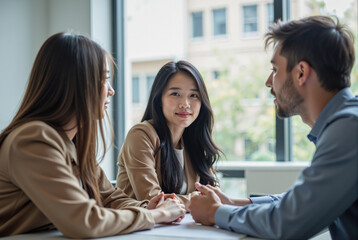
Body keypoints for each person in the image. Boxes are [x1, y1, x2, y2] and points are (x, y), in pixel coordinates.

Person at [0, 32, 186, 238]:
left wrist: (147, 206)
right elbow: (84, 221)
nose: (111, 91)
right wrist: (157, 214)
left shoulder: (72, 143)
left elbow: (109, 198)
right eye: (104, 79)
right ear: (76, 82)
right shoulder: (33, 139)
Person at [189, 15, 358, 239]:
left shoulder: (349, 129)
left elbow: (288, 222)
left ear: (301, 73)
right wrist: (236, 203)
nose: (269, 82)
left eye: (275, 70)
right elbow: (306, 201)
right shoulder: (345, 122)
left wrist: (215, 212)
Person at [116, 60, 221, 210]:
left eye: (193, 95)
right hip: (138, 229)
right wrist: (199, 199)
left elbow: (216, 195)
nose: (185, 103)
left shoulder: (193, 141)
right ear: (159, 99)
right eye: (175, 94)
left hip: (180, 228)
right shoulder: (140, 135)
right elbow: (153, 200)